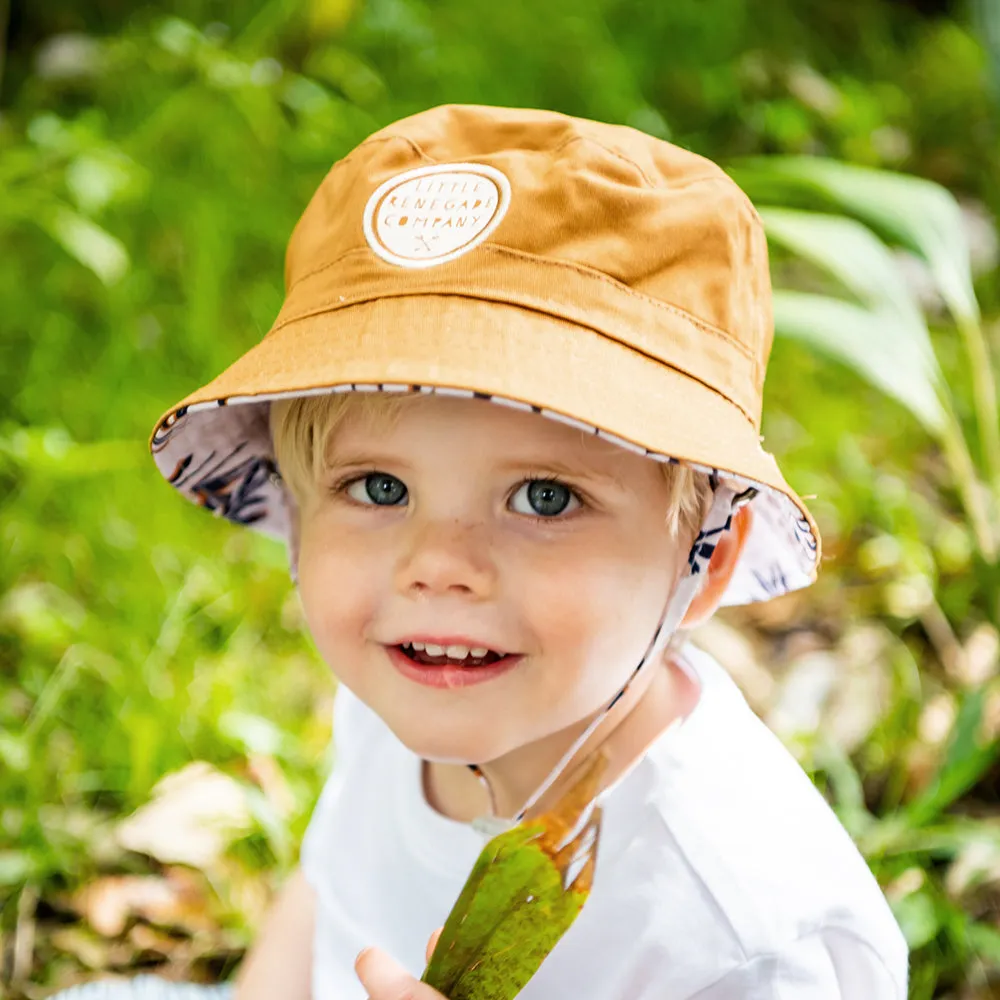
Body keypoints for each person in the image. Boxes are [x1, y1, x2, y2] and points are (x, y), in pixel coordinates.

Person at [73, 104, 909, 1000]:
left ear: (699, 560)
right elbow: (328, 892)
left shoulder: (747, 937)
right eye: (380, 488)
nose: (436, 566)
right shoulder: (413, 690)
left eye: (544, 498)